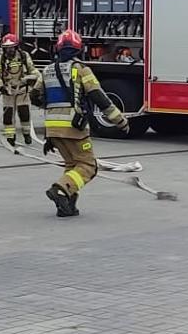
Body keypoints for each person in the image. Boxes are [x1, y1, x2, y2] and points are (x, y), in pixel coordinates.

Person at [40, 30, 129, 217]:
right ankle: (60, 190)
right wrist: (119, 120)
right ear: (78, 48)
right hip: (73, 127)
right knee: (88, 166)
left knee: (72, 165)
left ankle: (66, 206)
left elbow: (36, 96)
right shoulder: (81, 69)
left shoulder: (47, 70)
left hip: (53, 128)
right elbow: (98, 96)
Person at [0, 34, 40, 147]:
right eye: (7, 48)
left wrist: (33, 78)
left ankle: (27, 134)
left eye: (11, 47)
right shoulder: (0, 59)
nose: (9, 50)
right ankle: (10, 137)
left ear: (16, 47)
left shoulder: (23, 56)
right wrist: (0, 86)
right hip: (8, 91)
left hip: (22, 89)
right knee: (8, 115)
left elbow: (32, 70)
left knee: (24, 113)